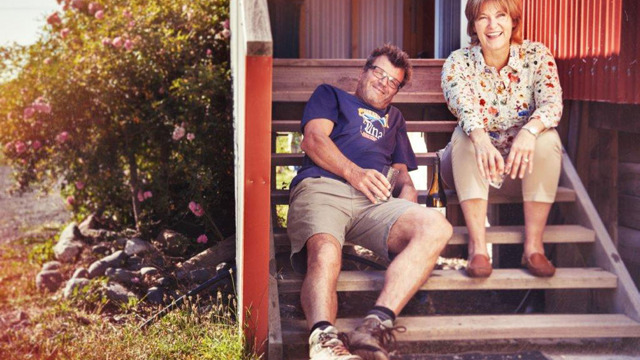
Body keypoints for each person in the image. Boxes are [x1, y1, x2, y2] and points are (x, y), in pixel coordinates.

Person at [287, 44, 453, 360]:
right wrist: (354, 173)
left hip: (375, 203)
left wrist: (408, 195)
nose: (383, 82)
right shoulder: (331, 96)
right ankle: (323, 342)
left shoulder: (395, 119)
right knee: (324, 250)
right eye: (379, 73)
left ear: (398, 89)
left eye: (393, 81)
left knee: (437, 226)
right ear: (364, 71)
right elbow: (313, 140)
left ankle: (373, 326)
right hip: (324, 189)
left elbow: (402, 173)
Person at [439, 0, 563, 278]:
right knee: (466, 134)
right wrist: (482, 139)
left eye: (500, 16)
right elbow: (463, 107)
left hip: (519, 171)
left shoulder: (537, 56)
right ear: (473, 25)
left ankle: (533, 247)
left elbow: (552, 104)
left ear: (513, 21)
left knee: (548, 137)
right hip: (467, 169)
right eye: (483, 18)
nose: (492, 25)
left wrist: (529, 132)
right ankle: (478, 248)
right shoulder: (458, 62)